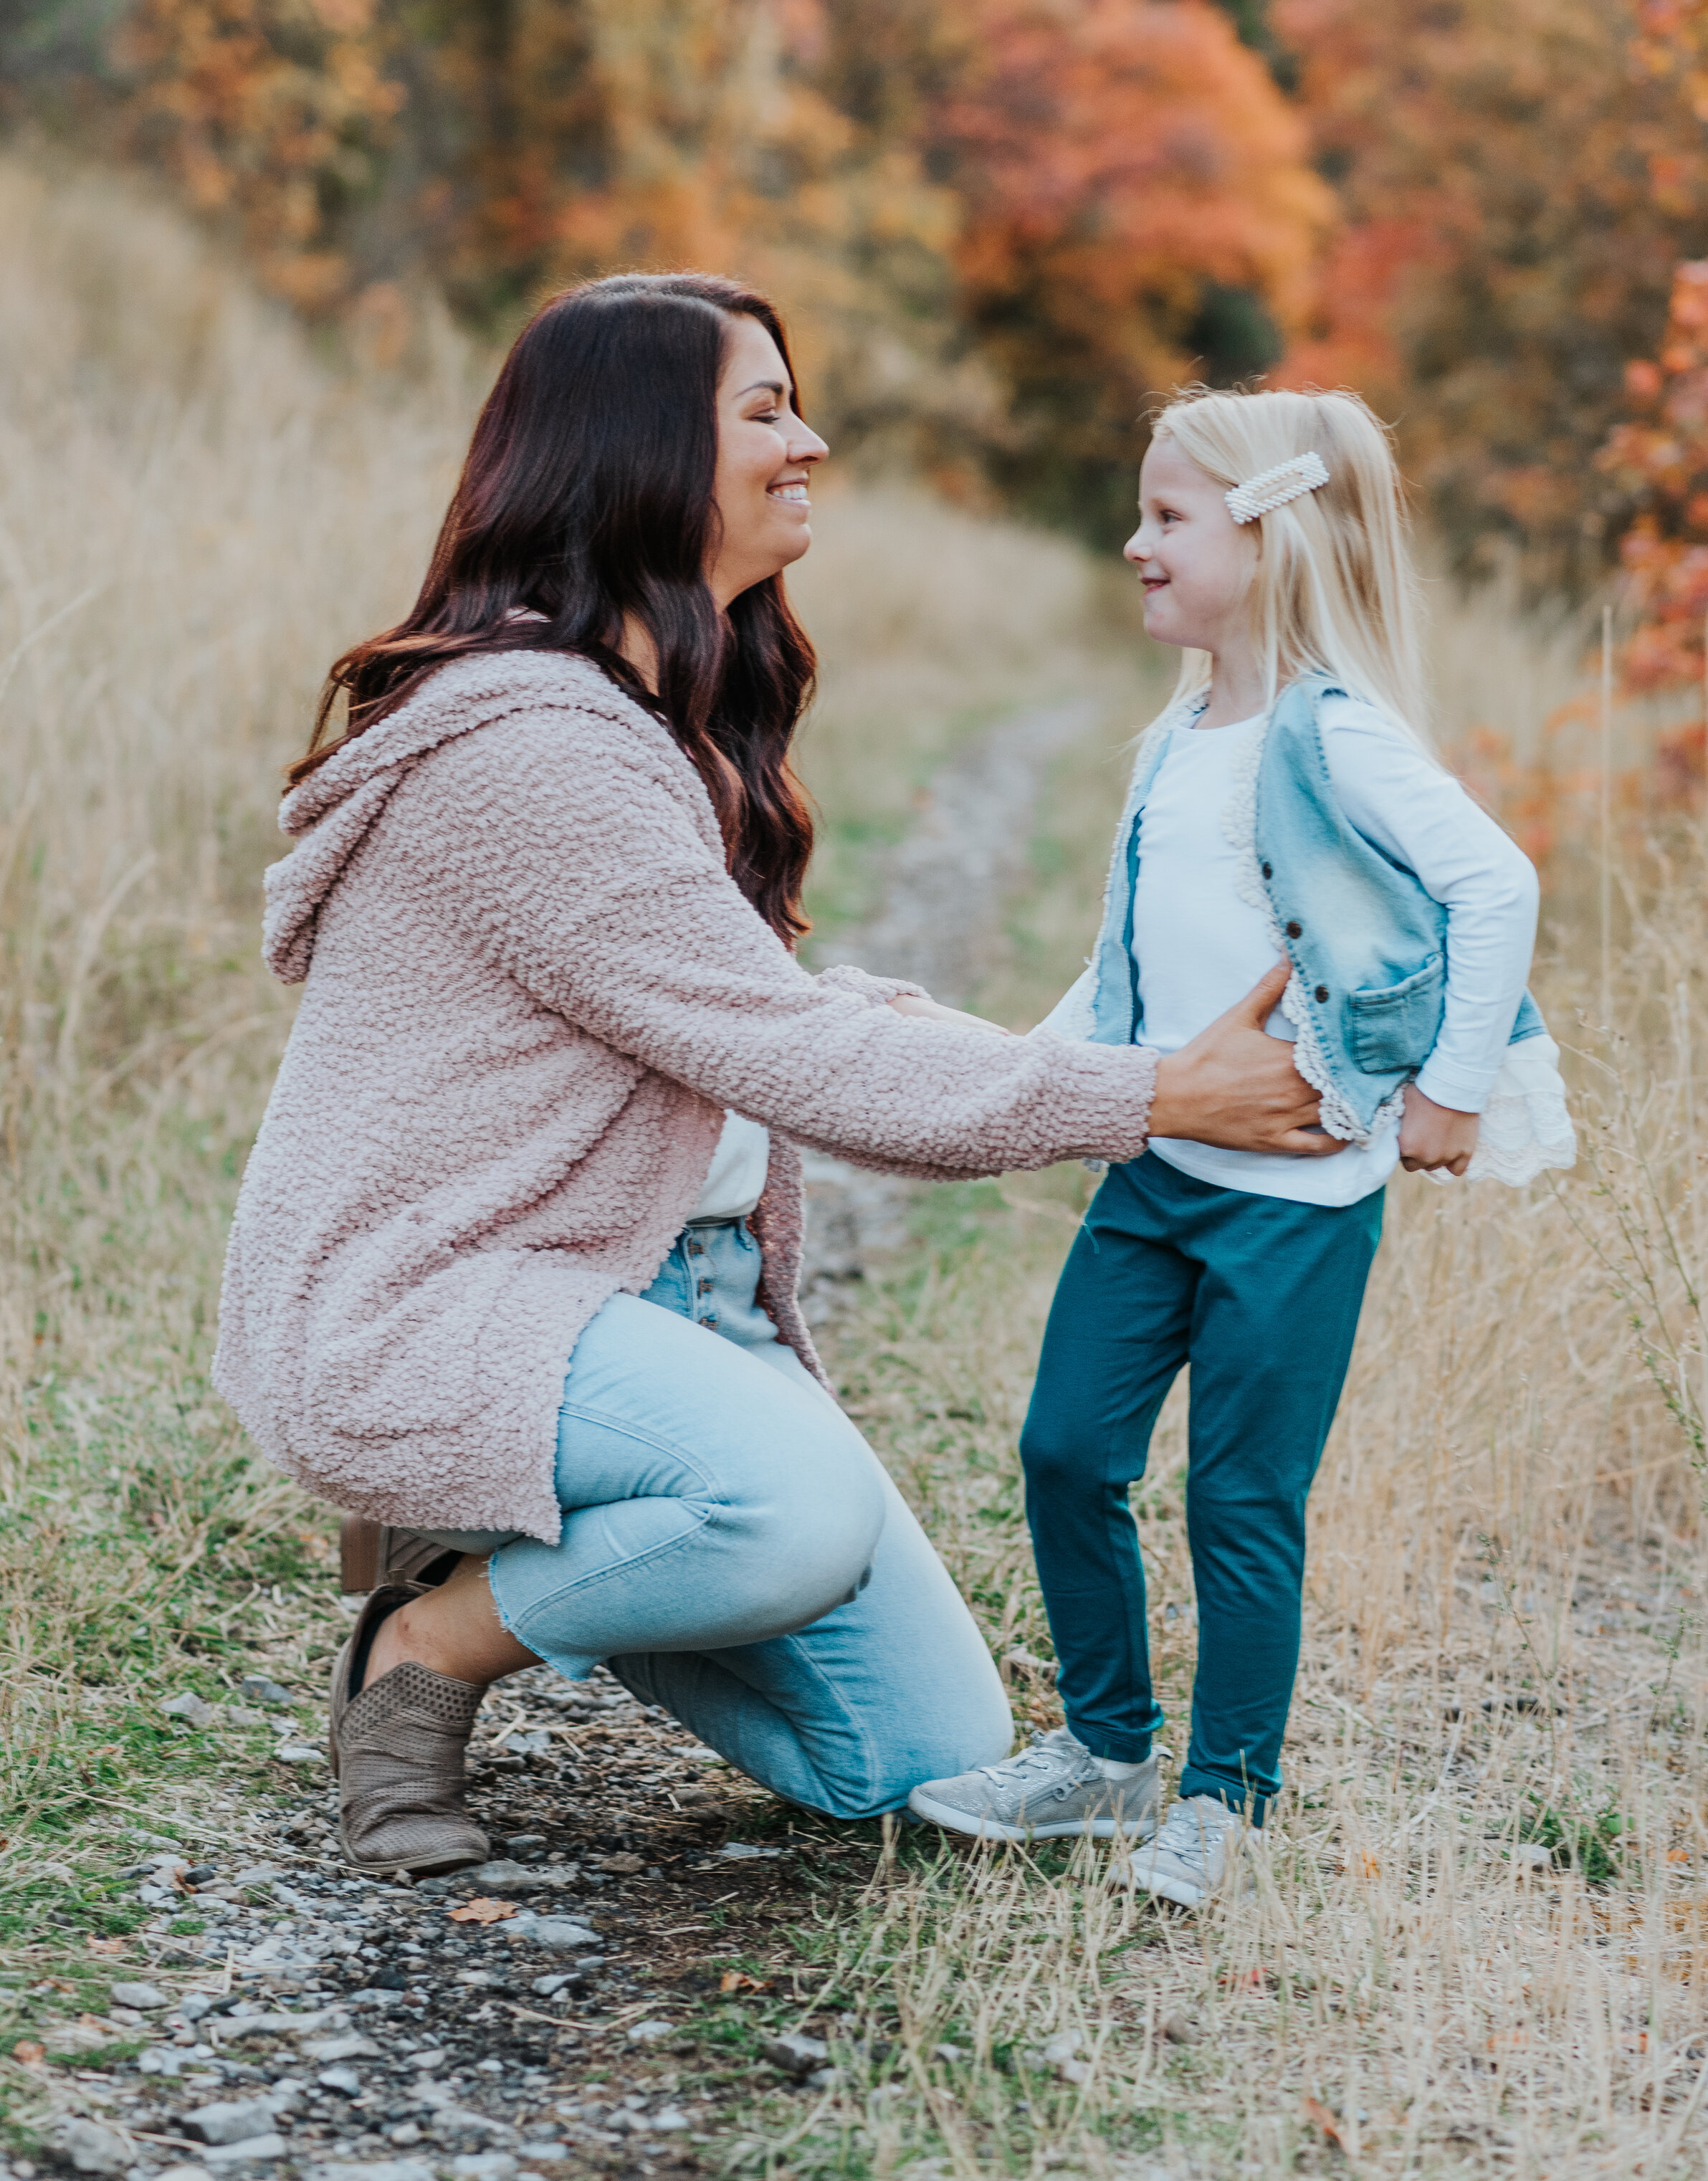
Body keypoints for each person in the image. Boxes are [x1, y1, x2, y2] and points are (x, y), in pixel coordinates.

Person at [214, 277, 1339, 1878]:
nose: (808, 439)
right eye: (762, 409)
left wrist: (1078, 1062)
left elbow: (770, 1014)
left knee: (912, 1767)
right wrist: (1150, 1094)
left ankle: (557, 1517)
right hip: (453, 1297)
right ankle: (433, 1644)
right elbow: (804, 1056)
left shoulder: (647, 716)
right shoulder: (534, 750)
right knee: (788, 1514)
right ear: (634, 448)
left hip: (660, 1293)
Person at [906, 386, 1575, 1906]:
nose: (1133, 541)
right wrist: (1031, 1072)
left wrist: (1448, 1091)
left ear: (1270, 538)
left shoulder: (1330, 732)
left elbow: (1496, 884)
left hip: (1294, 1204)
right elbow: (1135, 956)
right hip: (1153, 1178)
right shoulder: (1169, 738)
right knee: (1063, 1447)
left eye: (1166, 517)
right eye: (1139, 512)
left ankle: (1221, 1796)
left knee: (1238, 1498)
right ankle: (1100, 1749)